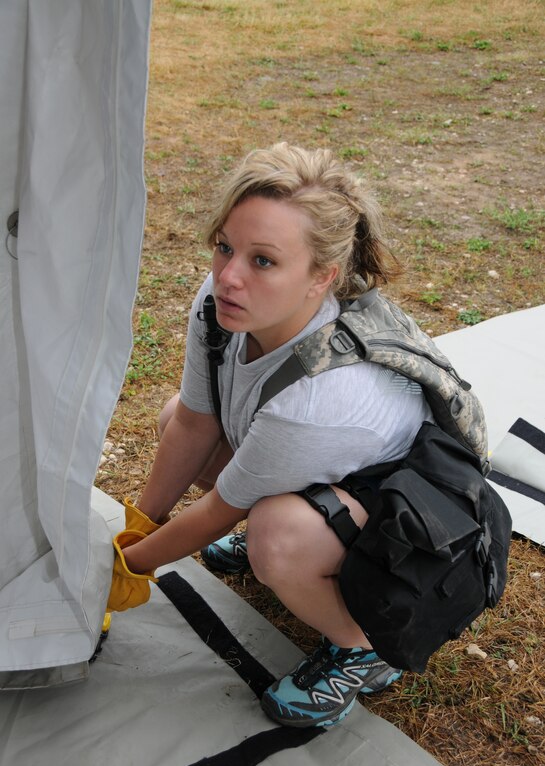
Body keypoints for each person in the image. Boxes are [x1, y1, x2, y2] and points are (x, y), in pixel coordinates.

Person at [109, 142, 434, 729]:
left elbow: (219, 509)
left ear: (322, 278)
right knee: (170, 416)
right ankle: (312, 551)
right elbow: (194, 421)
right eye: (226, 247)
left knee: (276, 536)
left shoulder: (319, 397)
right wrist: (140, 525)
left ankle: (364, 646)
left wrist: (127, 568)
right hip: (329, 475)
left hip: (410, 534)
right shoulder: (219, 306)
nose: (229, 276)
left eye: (263, 261)